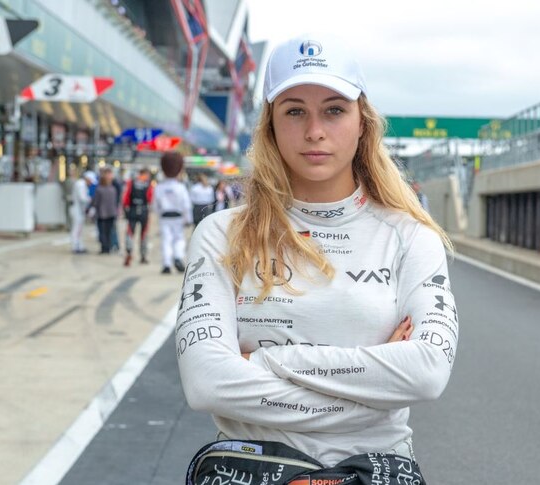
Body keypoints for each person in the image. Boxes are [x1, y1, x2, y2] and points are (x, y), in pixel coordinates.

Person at [175, 33, 458, 471]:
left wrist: (270, 361)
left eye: (334, 110)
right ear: (270, 125)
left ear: (362, 121)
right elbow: (207, 383)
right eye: (294, 112)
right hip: (251, 473)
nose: (314, 131)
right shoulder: (222, 234)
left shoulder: (411, 237)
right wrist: (373, 399)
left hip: (372, 472)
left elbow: (427, 372)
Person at [154, 152, 191, 274]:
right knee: (179, 238)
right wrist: (188, 219)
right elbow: (186, 205)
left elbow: (155, 205)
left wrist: (159, 214)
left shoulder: (159, 187)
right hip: (178, 217)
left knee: (166, 240)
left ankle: (166, 264)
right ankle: (178, 257)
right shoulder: (181, 187)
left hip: (165, 217)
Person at [122, 167, 154, 266]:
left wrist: (125, 210)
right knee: (143, 234)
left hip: (132, 210)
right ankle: (143, 256)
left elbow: (126, 197)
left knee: (130, 232)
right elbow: (150, 198)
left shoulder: (131, 183)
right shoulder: (148, 184)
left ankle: (129, 251)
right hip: (144, 210)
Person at [92, 167, 119, 254]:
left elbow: (96, 202)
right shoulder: (113, 189)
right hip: (112, 213)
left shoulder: (99, 189)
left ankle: (105, 248)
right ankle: (109, 247)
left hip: (102, 214)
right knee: (109, 231)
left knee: (102, 232)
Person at [70, 169, 96, 254]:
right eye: (91, 181)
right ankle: (75, 246)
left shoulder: (83, 184)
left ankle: (80, 246)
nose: (91, 183)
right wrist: (90, 200)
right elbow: (83, 198)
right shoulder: (81, 184)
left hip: (80, 210)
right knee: (77, 229)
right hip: (76, 210)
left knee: (80, 229)